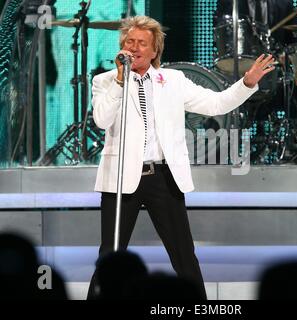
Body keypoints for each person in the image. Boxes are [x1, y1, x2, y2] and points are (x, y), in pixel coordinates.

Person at [87, 15, 275, 299]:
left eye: (142, 43)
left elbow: (216, 103)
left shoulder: (172, 80)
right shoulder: (105, 81)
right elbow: (101, 120)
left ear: (154, 51)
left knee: (184, 255)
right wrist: (119, 81)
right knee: (110, 255)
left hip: (163, 177)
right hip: (121, 178)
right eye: (129, 42)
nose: (134, 48)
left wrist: (246, 84)